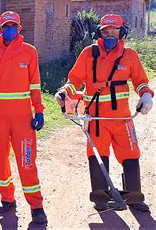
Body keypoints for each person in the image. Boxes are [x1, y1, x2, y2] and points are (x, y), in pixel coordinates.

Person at [56, 14, 153, 211]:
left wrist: (146, 95)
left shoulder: (130, 55)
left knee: (131, 155)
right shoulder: (88, 54)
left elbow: (140, 81)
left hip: (123, 119)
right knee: (97, 155)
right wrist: (65, 92)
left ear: (121, 32)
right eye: (106, 31)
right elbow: (74, 80)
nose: (110, 34)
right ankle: (101, 198)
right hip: (96, 120)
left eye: (114, 31)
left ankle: (134, 198)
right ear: (100, 33)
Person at [0, 11, 47, 224]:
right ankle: (7, 199)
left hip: (22, 119)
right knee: (1, 161)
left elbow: (35, 84)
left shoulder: (29, 52)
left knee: (27, 161)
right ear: (0, 29)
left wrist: (39, 110)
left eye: (13, 26)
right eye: (6, 26)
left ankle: (36, 206)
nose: (10, 29)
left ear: (19, 28)